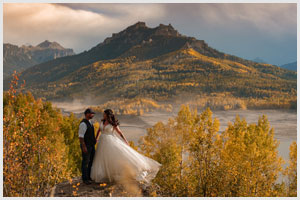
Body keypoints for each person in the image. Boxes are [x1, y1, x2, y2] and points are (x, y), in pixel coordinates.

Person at [90, 109, 161, 184]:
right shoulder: (102, 121)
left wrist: (125, 140)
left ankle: (123, 171)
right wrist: (96, 139)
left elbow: (119, 132)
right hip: (102, 142)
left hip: (110, 141)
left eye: (104, 114)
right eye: (103, 114)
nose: (103, 115)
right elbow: (99, 131)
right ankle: (104, 174)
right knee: (101, 157)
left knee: (112, 157)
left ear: (108, 115)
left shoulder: (113, 124)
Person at [78, 108, 96, 185]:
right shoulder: (83, 124)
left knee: (91, 161)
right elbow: (81, 137)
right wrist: (84, 147)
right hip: (86, 146)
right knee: (85, 162)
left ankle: (88, 177)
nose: (92, 115)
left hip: (91, 145)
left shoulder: (90, 122)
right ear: (87, 114)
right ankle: (85, 179)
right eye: (91, 113)